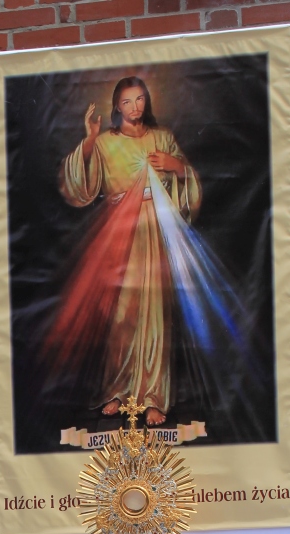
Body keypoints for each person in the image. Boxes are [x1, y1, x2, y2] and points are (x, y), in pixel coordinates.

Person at [54, 76, 201, 426]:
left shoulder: (162, 137)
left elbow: (188, 183)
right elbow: (78, 185)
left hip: (156, 231)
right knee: (122, 314)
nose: (135, 107)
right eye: (127, 101)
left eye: (140, 99)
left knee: (155, 314)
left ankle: (153, 397)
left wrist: (177, 167)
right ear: (117, 107)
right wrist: (90, 139)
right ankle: (119, 390)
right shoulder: (106, 142)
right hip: (120, 233)